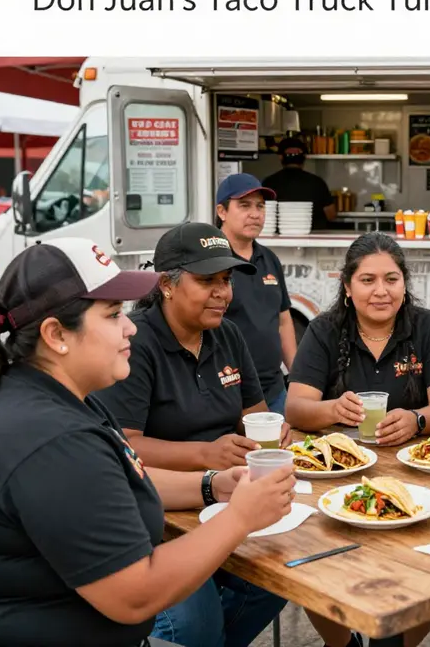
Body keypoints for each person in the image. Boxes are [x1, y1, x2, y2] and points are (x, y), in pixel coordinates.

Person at [0, 237, 295, 647]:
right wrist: (240, 517)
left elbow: (119, 481)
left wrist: (212, 484)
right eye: (111, 315)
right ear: (56, 335)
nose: (129, 326)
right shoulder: (51, 438)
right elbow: (134, 595)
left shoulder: (60, 398)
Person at [94, 222, 291, 647]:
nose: (223, 292)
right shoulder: (136, 340)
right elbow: (126, 446)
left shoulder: (228, 334)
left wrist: (272, 433)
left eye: (227, 280)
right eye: (208, 281)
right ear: (167, 284)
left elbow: (253, 414)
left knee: (283, 575)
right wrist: (206, 454)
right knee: (191, 626)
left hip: (226, 498)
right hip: (159, 514)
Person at [285, 231, 430, 647]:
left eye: (391, 279)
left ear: (405, 283)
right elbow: (295, 408)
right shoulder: (325, 330)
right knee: (312, 558)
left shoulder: (428, 327)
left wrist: (417, 419)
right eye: (367, 280)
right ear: (347, 287)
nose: (380, 291)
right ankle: (342, 642)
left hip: (418, 475)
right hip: (335, 476)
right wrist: (333, 410)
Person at [216, 172, 297, 414]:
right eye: (244, 205)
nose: (255, 214)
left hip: (273, 390)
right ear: (222, 212)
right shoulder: (211, 262)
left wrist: (299, 377)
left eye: (260, 206)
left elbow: (283, 321)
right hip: (226, 392)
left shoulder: (269, 259)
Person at [262, 136, 337, 231]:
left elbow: (261, 214)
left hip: (279, 240)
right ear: (304, 158)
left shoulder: (269, 182)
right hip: (313, 239)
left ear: (280, 157)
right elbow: (331, 214)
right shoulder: (317, 182)